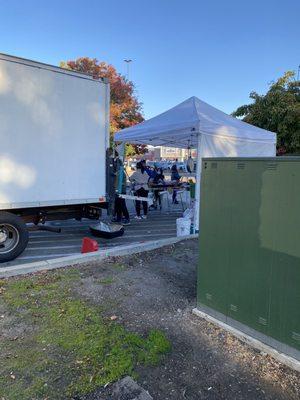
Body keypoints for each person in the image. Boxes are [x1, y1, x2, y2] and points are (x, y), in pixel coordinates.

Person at [112, 151, 130, 225]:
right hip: (117, 191)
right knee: (117, 205)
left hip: (121, 191)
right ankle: (119, 218)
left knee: (122, 205)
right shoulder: (118, 170)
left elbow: (121, 182)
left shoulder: (120, 170)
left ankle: (127, 218)